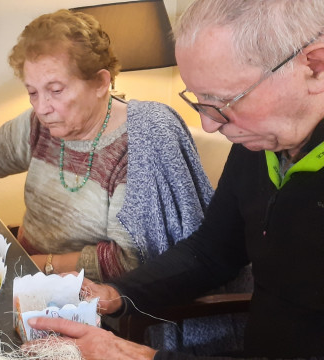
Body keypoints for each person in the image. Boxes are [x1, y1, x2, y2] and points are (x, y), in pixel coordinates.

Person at [27, 1, 324, 358]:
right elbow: (211, 252)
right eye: (199, 102)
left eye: (224, 101)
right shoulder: (260, 144)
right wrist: (117, 295)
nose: (209, 125)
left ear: (316, 67)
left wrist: (143, 357)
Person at [0, 9, 213, 283]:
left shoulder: (137, 143)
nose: (42, 107)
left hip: (86, 296)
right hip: (27, 270)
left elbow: (125, 261)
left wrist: (32, 266)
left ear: (100, 82)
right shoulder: (41, 125)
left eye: (55, 89)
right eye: (33, 91)